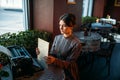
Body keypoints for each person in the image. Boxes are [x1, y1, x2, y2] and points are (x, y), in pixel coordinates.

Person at [36, 13, 82, 80]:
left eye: (64, 25)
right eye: (60, 25)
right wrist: (42, 53)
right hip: (55, 66)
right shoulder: (57, 38)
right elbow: (52, 55)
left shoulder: (76, 43)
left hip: (67, 71)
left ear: (72, 26)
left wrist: (54, 61)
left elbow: (69, 64)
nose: (61, 27)